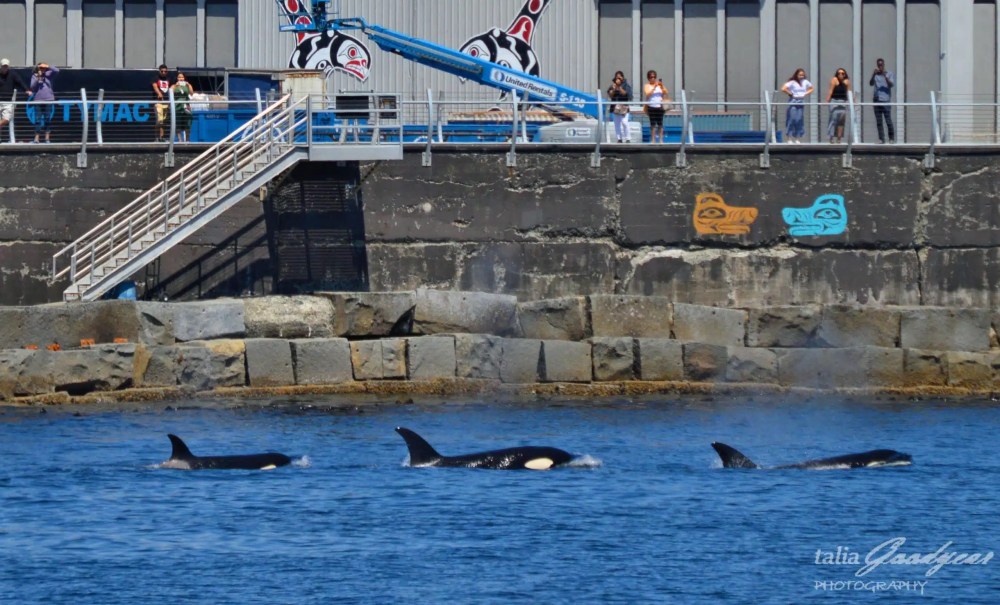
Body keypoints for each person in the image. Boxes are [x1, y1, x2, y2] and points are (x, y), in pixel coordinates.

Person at [0, 58, 29, 143]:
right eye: (3, 66)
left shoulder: (12, 74)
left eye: (6, 67)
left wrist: (26, 89)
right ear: (0, 66)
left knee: (6, 119)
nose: (5, 68)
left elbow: (20, 82)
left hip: (8, 101)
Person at [781, 68, 813, 144]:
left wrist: (805, 93)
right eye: (800, 75)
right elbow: (783, 88)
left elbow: (811, 88)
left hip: (801, 100)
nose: (801, 76)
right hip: (793, 100)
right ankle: (789, 137)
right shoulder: (792, 82)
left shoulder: (805, 82)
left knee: (799, 119)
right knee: (792, 119)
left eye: (803, 75)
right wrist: (790, 93)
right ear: (796, 75)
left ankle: (798, 137)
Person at [29, 62, 59, 144]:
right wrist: (38, 77)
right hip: (38, 100)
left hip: (48, 99)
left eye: (43, 68)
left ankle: (47, 138)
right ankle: (36, 138)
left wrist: (48, 66)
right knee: (38, 119)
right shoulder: (34, 76)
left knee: (47, 118)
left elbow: (57, 70)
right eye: (41, 68)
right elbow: (32, 86)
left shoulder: (49, 74)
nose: (42, 69)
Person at [869, 58, 895, 143]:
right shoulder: (876, 75)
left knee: (888, 120)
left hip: (885, 100)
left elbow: (891, 85)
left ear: (884, 65)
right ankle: (881, 139)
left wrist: (885, 76)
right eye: (878, 65)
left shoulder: (889, 73)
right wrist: (873, 74)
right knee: (879, 121)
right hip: (876, 100)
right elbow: (871, 83)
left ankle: (891, 138)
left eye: (881, 65)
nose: (880, 66)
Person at [643, 70, 669, 144]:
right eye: (651, 77)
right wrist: (654, 87)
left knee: (660, 124)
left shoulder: (659, 86)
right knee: (652, 124)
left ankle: (661, 140)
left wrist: (662, 86)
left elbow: (666, 92)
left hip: (660, 106)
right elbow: (648, 94)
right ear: (648, 78)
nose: (653, 79)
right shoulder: (647, 86)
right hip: (651, 106)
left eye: (654, 77)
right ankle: (653, 140)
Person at [825, 68, 850, 144]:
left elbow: (849, 92)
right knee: (833, 120)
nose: (841, 75)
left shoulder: (847, 81)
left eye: (843, 73)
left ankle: (839, 139)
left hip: (843, 102)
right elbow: (830, 91)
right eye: (839, 73)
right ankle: (831, 137)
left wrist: (853, 102)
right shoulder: (834, 80)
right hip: (834, 101)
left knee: (841, 121)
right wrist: (827, 101)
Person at [607, 70, 633, 143]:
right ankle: (619, 139)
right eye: (617, 78)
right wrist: (614, 88)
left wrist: (619, 87)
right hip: (615, 107)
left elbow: (626, 94)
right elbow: (610, 95)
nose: (618, 79)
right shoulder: (613, 85)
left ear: (622, 78)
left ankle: (628, 138)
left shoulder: (626, 85)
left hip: (624, 107)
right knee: (617, 123)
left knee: (624, 122)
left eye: (620, 78)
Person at [171, 73, 195, 143]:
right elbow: (170, 91)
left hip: (186, 104)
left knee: (188, 121)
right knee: (178, 122)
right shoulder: (174, 85)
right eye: (179, 77)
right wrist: (176, 85)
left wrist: (188, 85)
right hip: (177, 105)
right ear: (177, 78)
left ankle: (187, 139)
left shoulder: (187, 85)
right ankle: (179, 139)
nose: (181, 79)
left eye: (182, 77)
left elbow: (191, 93)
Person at [152, 64, 171, 142]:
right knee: (159, 120)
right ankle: (156, 137)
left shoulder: (169, 79)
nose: (163, 72)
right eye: (162, 71)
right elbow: (155, 86)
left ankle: (161, 137)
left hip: (166, 102)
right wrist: (159, 93)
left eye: (165, 71)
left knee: (164, 121)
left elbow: (171, 88)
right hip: (158, 102)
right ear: (159, 71)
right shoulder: (155, 78)